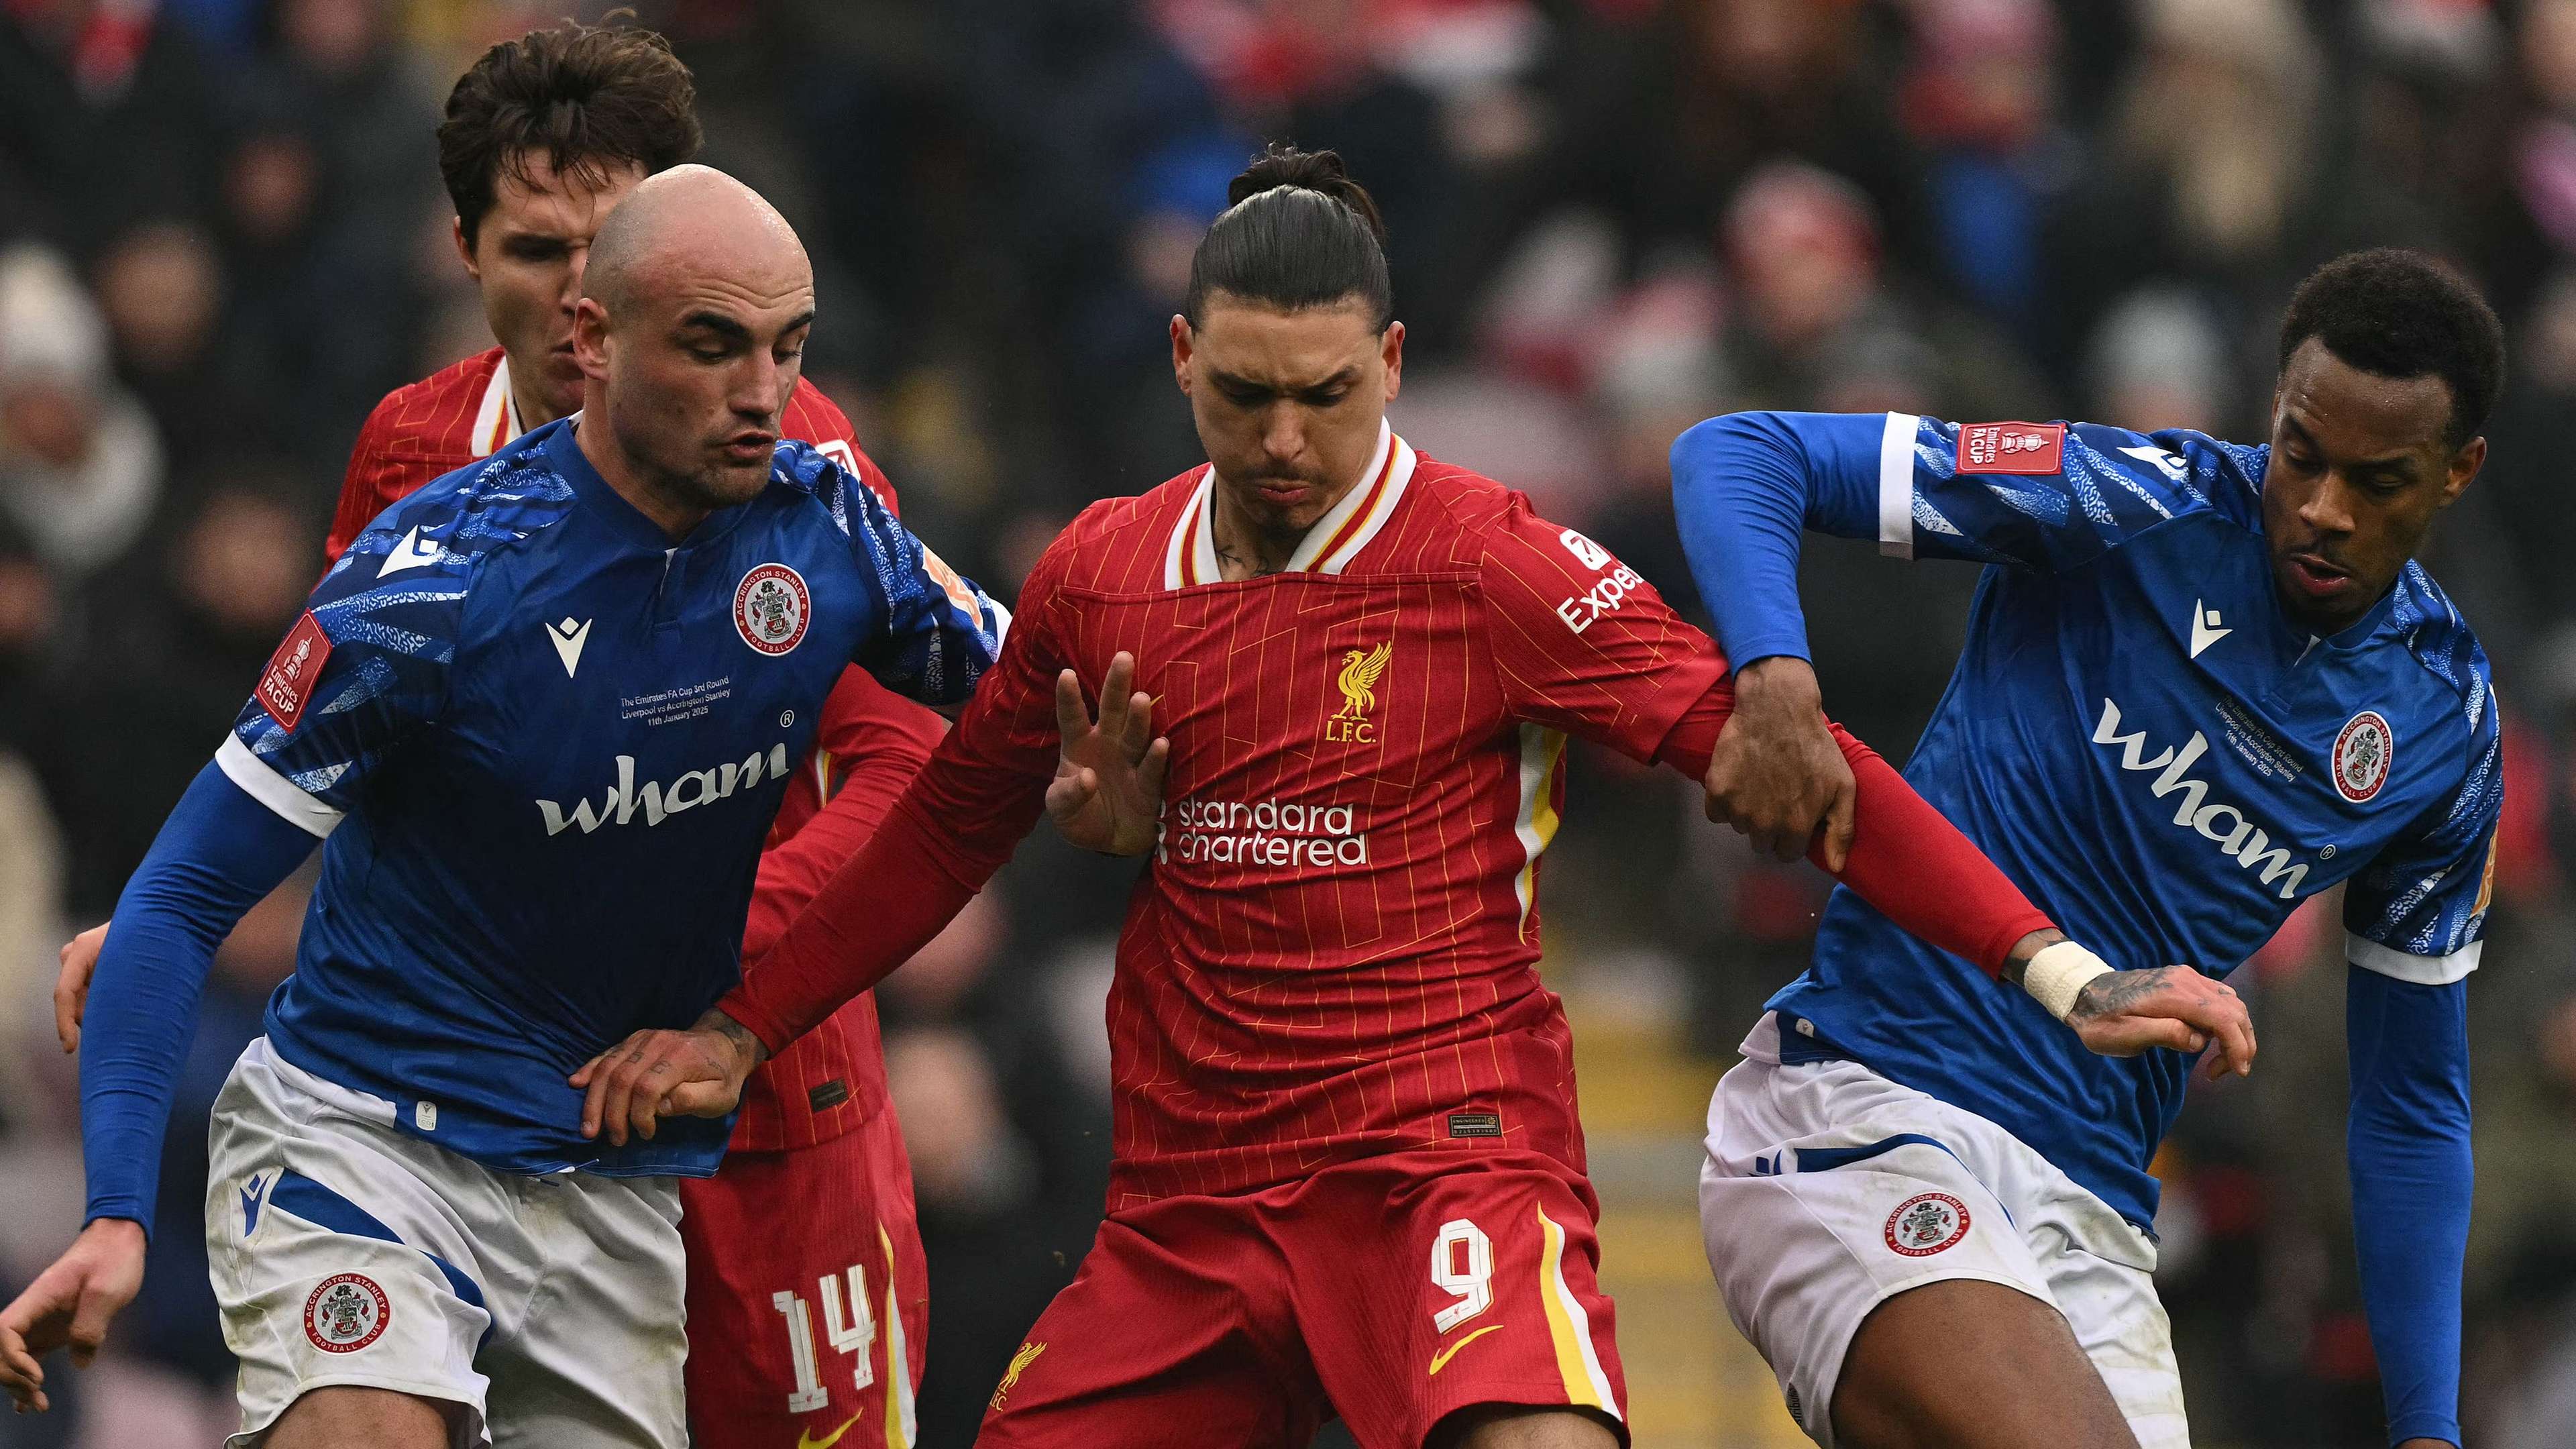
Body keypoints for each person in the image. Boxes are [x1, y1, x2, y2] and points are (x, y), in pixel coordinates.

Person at [578, 147, 2250, 1449]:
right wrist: (744, 1024)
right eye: (1245, 396)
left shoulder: (1492, 564)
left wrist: (2057, 969)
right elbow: (951, 822)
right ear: (1180, 361)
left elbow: (1803, 780)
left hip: (1439, 1163)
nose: (1288, 438)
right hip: (1189, 1204)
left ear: (1390, 360)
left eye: (1328, 392)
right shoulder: (1101, 572)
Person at [0, 166, 1010, 1449]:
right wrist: (114, 1215)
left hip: (605, 1183)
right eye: (714, 347)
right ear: (593, 339)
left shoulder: (832, 532)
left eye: (788, 349)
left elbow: (1031, 703)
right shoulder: (431, 585)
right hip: (368, 1140)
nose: (763, 394)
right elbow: (190, 885)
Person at [1670, 248, 2502, 1449]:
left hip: (2092, 1217)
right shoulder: (2134, 500)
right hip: (1861, 1110)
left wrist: (2427, 1426)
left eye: (2380, 482)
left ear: (2458, 473)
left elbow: (2413, 1102)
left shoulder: (2441, 722)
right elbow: (1740, 454)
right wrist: (1776, 678)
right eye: (2301, 456)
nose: (2323, 508)